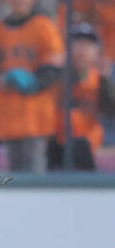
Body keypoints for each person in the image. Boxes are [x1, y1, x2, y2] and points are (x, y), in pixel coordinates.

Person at [0, 0, 63, 173]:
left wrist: (35, 83)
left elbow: (54, 63)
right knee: (13, 174)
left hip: (36, 113)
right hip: (7, 113)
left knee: (35, 171)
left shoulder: (44, 26)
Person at [50, 24, 115, 171]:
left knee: (81, 146)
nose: (82, 49)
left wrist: (106, 82)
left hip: (89, 150)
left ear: (97, 52)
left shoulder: (100, 80)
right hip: (57, 147)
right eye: (77, 43)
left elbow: (112, 110)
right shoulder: (55, 76)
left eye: (88, 45)